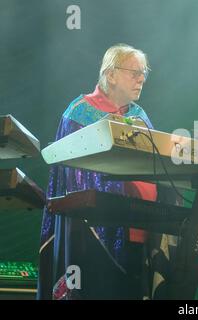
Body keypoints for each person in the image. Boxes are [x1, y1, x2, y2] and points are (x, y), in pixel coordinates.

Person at [37, 44, 172, 299]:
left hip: (142, 232)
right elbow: (69, 178)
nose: (141, 79)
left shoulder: (140, 116)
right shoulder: (78, 113)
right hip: (92, 235)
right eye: (135, 72)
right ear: (111, 74)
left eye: (144, 73)